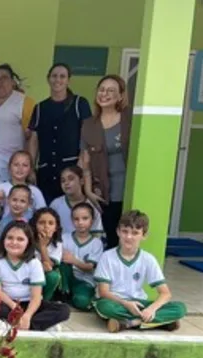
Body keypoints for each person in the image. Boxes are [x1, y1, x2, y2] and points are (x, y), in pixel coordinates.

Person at [94, 210, 185, 332]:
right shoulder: (107, 257)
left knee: (180, 308)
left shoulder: (148, 259)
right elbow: (103, 292)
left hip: (140, 302)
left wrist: (151, 309)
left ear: (144, 235)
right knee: (104, 306)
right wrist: (126, 304)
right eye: (125, 232)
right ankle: (158, 322)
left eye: (135, 233)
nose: (129, 237)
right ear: (118, 232)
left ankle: (130, 323)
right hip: (117, 302)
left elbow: (165, 293)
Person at [0, 221, 70, 331]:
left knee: (63, 310)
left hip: (28, 303)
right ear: (3, 240)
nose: (14, 242)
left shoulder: (34, 263)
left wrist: (27, 315)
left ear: (28, 243)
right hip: (8, 303)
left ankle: (19, 325)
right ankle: (38, 326)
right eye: (10, 238)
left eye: (20, 239)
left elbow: (36, 296)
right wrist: (15, 308)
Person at [80, 75, 132, 249]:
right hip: (104, 191)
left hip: (130, 187)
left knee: (130, 235)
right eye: (102, 89)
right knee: (112, 237)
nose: (104, 94)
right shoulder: (89, 124)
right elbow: (85, 161)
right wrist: (87, 190)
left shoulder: (130, 119)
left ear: (120, 96)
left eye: (111, 90)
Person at [28, 63, 92, 202]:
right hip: (46, 172)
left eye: (62, 76)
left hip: (71, 171)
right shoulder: (40, 108)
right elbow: (34, 139)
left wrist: (80, 166)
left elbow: (87, 135)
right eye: (54, 76)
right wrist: (31, 168)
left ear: (69, 80)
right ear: (48, 79)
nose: (58, 80)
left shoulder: (79, 103)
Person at [61, 202, 103, 311]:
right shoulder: (64, 238)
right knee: (62, 264)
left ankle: (77, 298)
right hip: (67, 278)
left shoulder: (96, 243)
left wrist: (74, 260)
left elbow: (90, 267)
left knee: (82, 302)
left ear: (92, 220)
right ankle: (64, 293)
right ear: (72, 220)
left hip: (85, 281)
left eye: (85, 218)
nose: (80, 222)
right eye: (76, 219)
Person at [49, 166, 104, 237]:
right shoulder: (56, 204)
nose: (66, 183)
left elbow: (97, 235)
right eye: (63, 181)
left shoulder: (92, 204)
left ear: (81, 181)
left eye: (71, 179)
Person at [0, 151, 46, 217]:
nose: (20, 168)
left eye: (25, 165)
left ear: (30, 169)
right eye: (16, 165)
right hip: (6, 226)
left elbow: (43, 214)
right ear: (9, 167)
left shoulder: (35, 191)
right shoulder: (0, 188)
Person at [31, 208, 63, 301]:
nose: (46, 226)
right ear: (35, 225)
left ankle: (45, 301)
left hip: (45, 275)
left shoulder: (57, 244)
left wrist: (43, 247)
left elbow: (49, 267)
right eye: (41, 223)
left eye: (51, 223)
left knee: (53, 276)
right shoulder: (27, 240)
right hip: (29, 274)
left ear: (56, 227)